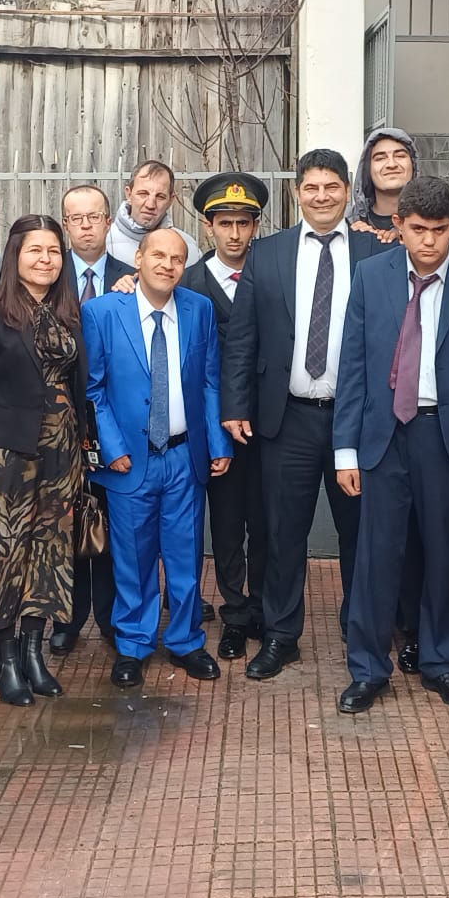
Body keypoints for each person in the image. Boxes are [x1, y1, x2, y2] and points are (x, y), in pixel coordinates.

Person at [331, 176, 449, 714]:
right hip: (382, 435)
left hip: (446, 437)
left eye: (440, 230)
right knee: (375, 557)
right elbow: (353, 364)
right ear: (399, 225)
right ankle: (367, 668)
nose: (429, 242)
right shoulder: (371, 274)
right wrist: (344, 450)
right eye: (419, 229)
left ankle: (441, 662)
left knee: (445, 554)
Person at [220, 149, 386, 680]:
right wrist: (234, 404)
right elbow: (242, 337)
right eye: (311, 187)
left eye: (332, 186)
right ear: (297, 193)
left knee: (359, 531)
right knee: (281, 532)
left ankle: (361, 630)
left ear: (347, 191)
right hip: (285, 418)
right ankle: (280, 635)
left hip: (353, 420)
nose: (321, 196)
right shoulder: (267, 253)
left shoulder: (376, 252)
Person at [83, 226, 231, 687]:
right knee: (133, 558)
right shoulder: (102, 312)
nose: (167, 265)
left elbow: (210, 381)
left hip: (185, 457)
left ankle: (185, 640)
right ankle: (133, 643)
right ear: (139, 259)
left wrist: (218, 444)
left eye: (177, 259)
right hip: (130, 460)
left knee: (186, 555)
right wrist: (112, 449)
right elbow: (93, 389)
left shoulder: (198, 309)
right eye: (158, 256)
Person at [0, 216, 92, 706]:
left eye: (54, 251)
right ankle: (5, 657)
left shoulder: (68, 313)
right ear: (15, 255)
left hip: (61, 455)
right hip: (6, 454)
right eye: (35, 250)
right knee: (3, 553)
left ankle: (35, 653)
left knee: (49, 553)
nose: (45, 260)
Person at [181, 173, 271, 659]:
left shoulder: (273, 273)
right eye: (224, 223)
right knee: (227, 523)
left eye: (243, 223)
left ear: (255, 225)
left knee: (268, 522)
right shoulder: (189, 282)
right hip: (215, 427)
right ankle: (234, 612)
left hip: (271, 422)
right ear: (208, 226)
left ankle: (264, 608)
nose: (234, 234)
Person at [58, 183, 132, 655]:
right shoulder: (47, 273)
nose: (86, 226)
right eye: (76, 218)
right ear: (66, 225)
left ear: (108, 221)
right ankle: (67, 616)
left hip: (112, 418)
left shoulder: (132, 276)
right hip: (58, 417)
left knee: (108, 516)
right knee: (64, 518)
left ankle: (109, 615)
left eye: (94, 217)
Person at [106, 160, 196, 265]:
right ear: (129, 194)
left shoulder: (189, 247)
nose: (150, 205)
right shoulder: (102, 243)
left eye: (160, 197)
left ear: (171, 201)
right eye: (143, 194)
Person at [350, 127, 417, 238]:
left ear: (414, 165)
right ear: (367, 169)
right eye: (380, 158)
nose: (392, 164)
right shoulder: (347, 222)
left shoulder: (435, 218)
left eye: (400, 156)